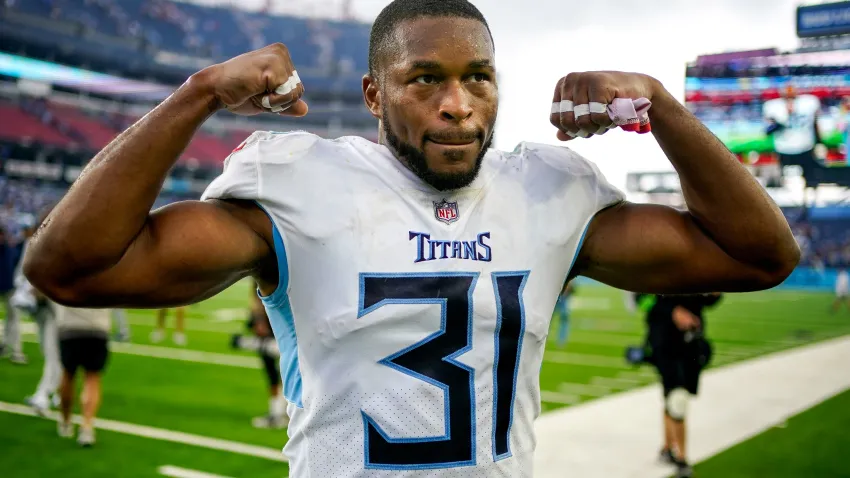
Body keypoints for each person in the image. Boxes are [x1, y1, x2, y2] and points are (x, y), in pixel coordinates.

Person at [23, 0, 800, 474]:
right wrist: (193, 97)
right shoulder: (298, 189)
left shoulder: (546, 192)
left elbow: (759, 256)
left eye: (479, 77)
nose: (457, 104)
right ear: (373, 93)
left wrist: (661, 108)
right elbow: (70, 269)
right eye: (425, 78)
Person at [636, 293, 721, 478]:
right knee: (677, 398)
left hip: (691, 341)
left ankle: (667, 448)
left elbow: (706, 300)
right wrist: (672, 311)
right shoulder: (651, 266)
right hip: (664, 340)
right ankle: (682, 459)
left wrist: (715, 292)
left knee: (672, 396)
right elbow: (641, 300)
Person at [232, 281, 288, 429]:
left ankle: (279, 414)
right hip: (274, 333)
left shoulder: (265, 294)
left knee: (284, 374)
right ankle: (278, 412)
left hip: (277, 334)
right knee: (276, 375)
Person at [55, 303, 112, 447]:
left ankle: (66, 422)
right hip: (98, 326)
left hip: (70, 325)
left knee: (68, 375)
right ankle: (87, 427)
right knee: (92, 378)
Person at [552, 280, 575, 348]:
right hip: (557, 297)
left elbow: (572, 287)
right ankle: (545, 338)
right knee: (549, 320)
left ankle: (561, 340)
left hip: (563, 298)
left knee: (564, 320)